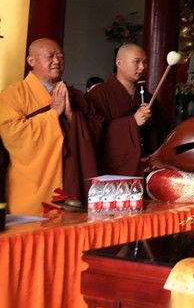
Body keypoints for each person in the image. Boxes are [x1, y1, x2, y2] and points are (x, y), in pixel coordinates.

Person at [0, 39, 98, 214]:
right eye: (50, 56)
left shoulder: (75, 96)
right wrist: (53, 114)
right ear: (31, 61)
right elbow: (12, 134)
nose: (57, 61)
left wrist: (71, 117)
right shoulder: (13, 94)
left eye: (60, 55)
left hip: (71, 188)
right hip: (30, 187)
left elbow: (98, 130)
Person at [87, 43, 161, 177]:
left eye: (145, 62)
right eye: (136, 62)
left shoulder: (148, 97)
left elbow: (159, 133)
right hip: (112, 169)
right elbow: (94, 132)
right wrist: (132, 122)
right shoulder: (99, 94)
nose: (142, 67)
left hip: (145, 168)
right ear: (119, 63)